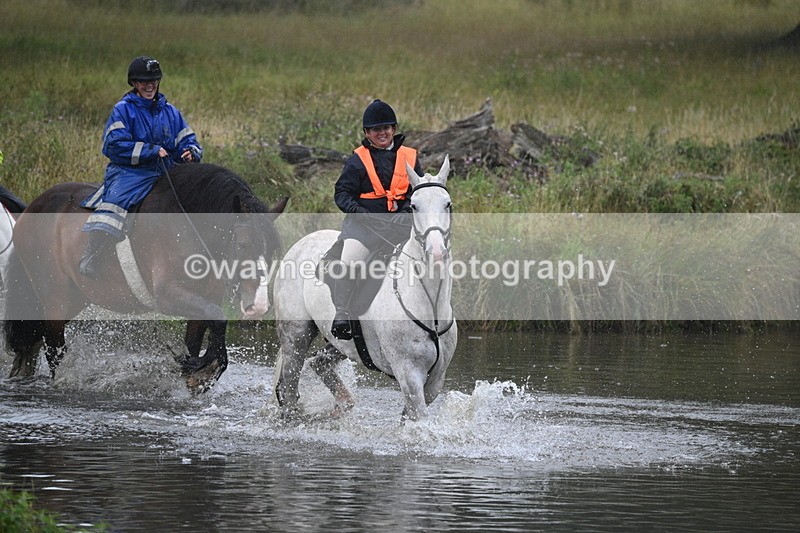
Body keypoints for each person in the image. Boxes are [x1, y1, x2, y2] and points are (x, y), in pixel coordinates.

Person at [78, 55, 202, 279]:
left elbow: (188, 139)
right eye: (144, 82)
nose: (150, 86)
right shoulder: (123, 110)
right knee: (116, 201)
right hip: (130, 173)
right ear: (134, 83)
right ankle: (94, 253)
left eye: (154, 81)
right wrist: (150, 151)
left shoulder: (171, 111)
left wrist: (191, 152)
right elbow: (113, 146)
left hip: (166, 170)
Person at [330, 99, 424, 340]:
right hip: (365, 226)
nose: (382, 133)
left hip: (400, 226)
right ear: (367, 133)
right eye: (375, 130)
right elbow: (342, 193)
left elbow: (419, 191)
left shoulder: (410, 157)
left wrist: (407, 212)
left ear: (394, 129)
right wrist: (359, 212)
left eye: (386, 128)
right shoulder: (357, 160)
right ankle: (342, 313)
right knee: (350, 260)